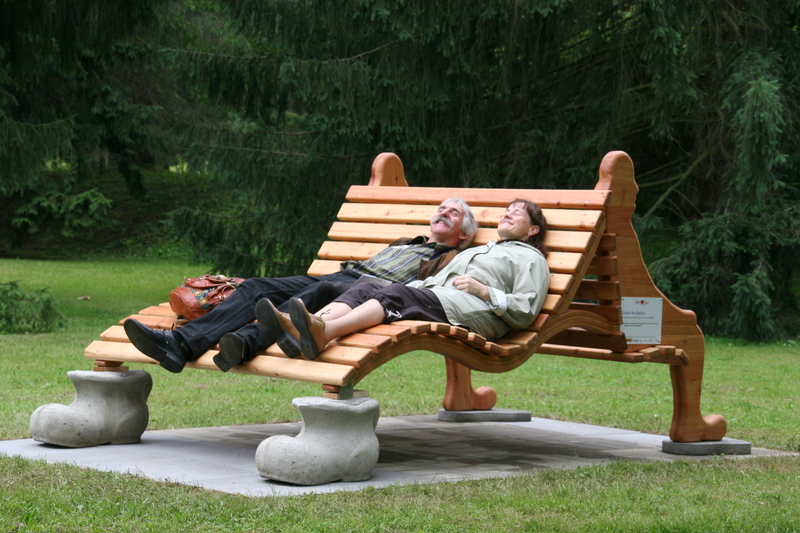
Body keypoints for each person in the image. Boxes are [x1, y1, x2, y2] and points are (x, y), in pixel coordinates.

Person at [124, 199, 478, 373]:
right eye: (441, 208)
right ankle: (180, 344)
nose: (443, 213)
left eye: (454, 213)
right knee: (257, 286)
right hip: (340, 276)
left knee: (310, 296)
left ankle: (244, 343)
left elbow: (425, 294)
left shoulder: (453, 258)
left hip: (364, 292)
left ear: (463, 234)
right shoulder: (406, 242)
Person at [258, 199, 550, 360]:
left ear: (533, 230)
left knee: (396, 295)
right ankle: (306, 326)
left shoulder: (531, 259)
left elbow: (525, 310)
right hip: (441, 300)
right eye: (506, 211)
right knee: (368, 287)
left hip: (476, 313)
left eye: (517, 213)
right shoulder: (479, 250)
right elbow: (429, 286)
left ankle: (324, 333)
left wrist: (485, 291)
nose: (507, 215)